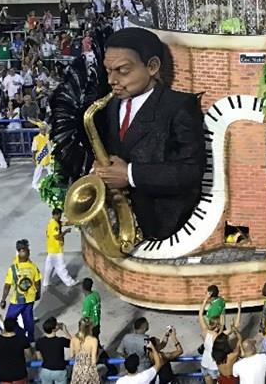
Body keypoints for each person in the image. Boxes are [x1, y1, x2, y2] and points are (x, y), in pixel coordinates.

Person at [88, 27, 207, 240]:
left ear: (152, 67)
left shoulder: (180, 106)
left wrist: (129, 175)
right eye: (108, 71)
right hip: (121, 218)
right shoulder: (112, 105)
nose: (112, 80)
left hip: (161, 224)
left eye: (123, 70)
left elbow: (190, 171)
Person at [0, 239, 42, 341]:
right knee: (28, 320)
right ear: (22, 251)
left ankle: (19, 334)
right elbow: (37, 282)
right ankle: (30, 339)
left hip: (17, 300)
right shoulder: (33, 267)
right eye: (27, 249)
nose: (29, 251)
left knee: (9, 320)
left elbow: (7, 285)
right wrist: (38, 293)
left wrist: (3, 299)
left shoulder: (13, 268)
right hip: (30, 298)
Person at [0, 318, 33, 384]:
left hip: (4, 375)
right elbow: (29, 355)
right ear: (15, 327)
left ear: (4, 326)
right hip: (20, 374)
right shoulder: (22, 338)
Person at [43, 209, 77, 288]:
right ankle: (70, 282)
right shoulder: (54, 224)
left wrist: (76, 221)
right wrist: (66, 231)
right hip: (56, 249)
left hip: (51, 249)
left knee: (49, 267)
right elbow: (57, 237)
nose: (60, 217)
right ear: (56, 215)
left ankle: (46, 282)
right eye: (59, 215)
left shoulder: (53, 222)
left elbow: (65, 223)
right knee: (61, 267)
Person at [35, 317, 72, 384]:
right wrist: (65, 330)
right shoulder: (61, 341)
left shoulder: (39, 341)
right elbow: (73, 343)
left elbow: (39, 357)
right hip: (59, 371)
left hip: (46, 370)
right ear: (54, 328)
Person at [69, 317, 100, 384]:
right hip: (89, 371)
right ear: (89, 328)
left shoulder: (73, 339)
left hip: (77, 371)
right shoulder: (93, 340)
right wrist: (99, 354)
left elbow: (71, 355)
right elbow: (94, 361)